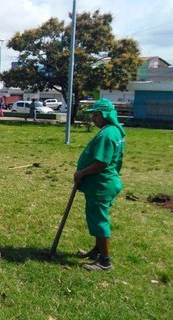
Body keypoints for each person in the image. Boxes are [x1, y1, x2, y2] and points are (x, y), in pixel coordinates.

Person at [74, 98, 126, 271]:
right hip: (106, 182)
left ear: (105, 115)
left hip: (101, 185)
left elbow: (101, 163)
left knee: (99, 221)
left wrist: (82, 172)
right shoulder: (115, 130)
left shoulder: (108, 134)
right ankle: (96, 251)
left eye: (96, 115)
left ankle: (105, 261)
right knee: (97, 219)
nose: (93, 118)